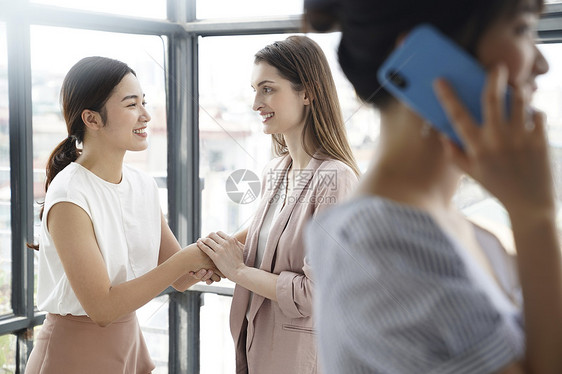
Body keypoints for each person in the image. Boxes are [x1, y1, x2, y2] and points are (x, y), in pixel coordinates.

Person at [304, 0, 562, 373]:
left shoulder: (463, 231)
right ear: (419, 55)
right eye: (521, 29)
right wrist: (535, 215)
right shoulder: (380, 242)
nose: (542, 64)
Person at [25, 56, 218, 374]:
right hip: (72, 356)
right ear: (92, 119)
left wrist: (213, 255)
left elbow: (181, 278)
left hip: (126, 345)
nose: (145, 115)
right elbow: (102, 308)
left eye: (144, 102)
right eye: (131, 105)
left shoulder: (142, 185)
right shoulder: (69, 195)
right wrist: (187, 259)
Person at [196, 35, 360, 374]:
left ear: (308, 92)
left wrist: (238, 271)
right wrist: (219, 260)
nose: (256, 102)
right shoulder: (276, 171)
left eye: (267, 89)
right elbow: (264, 249)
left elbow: (315, 292)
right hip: (256, 349)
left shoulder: (336, 178)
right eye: (255, 89)